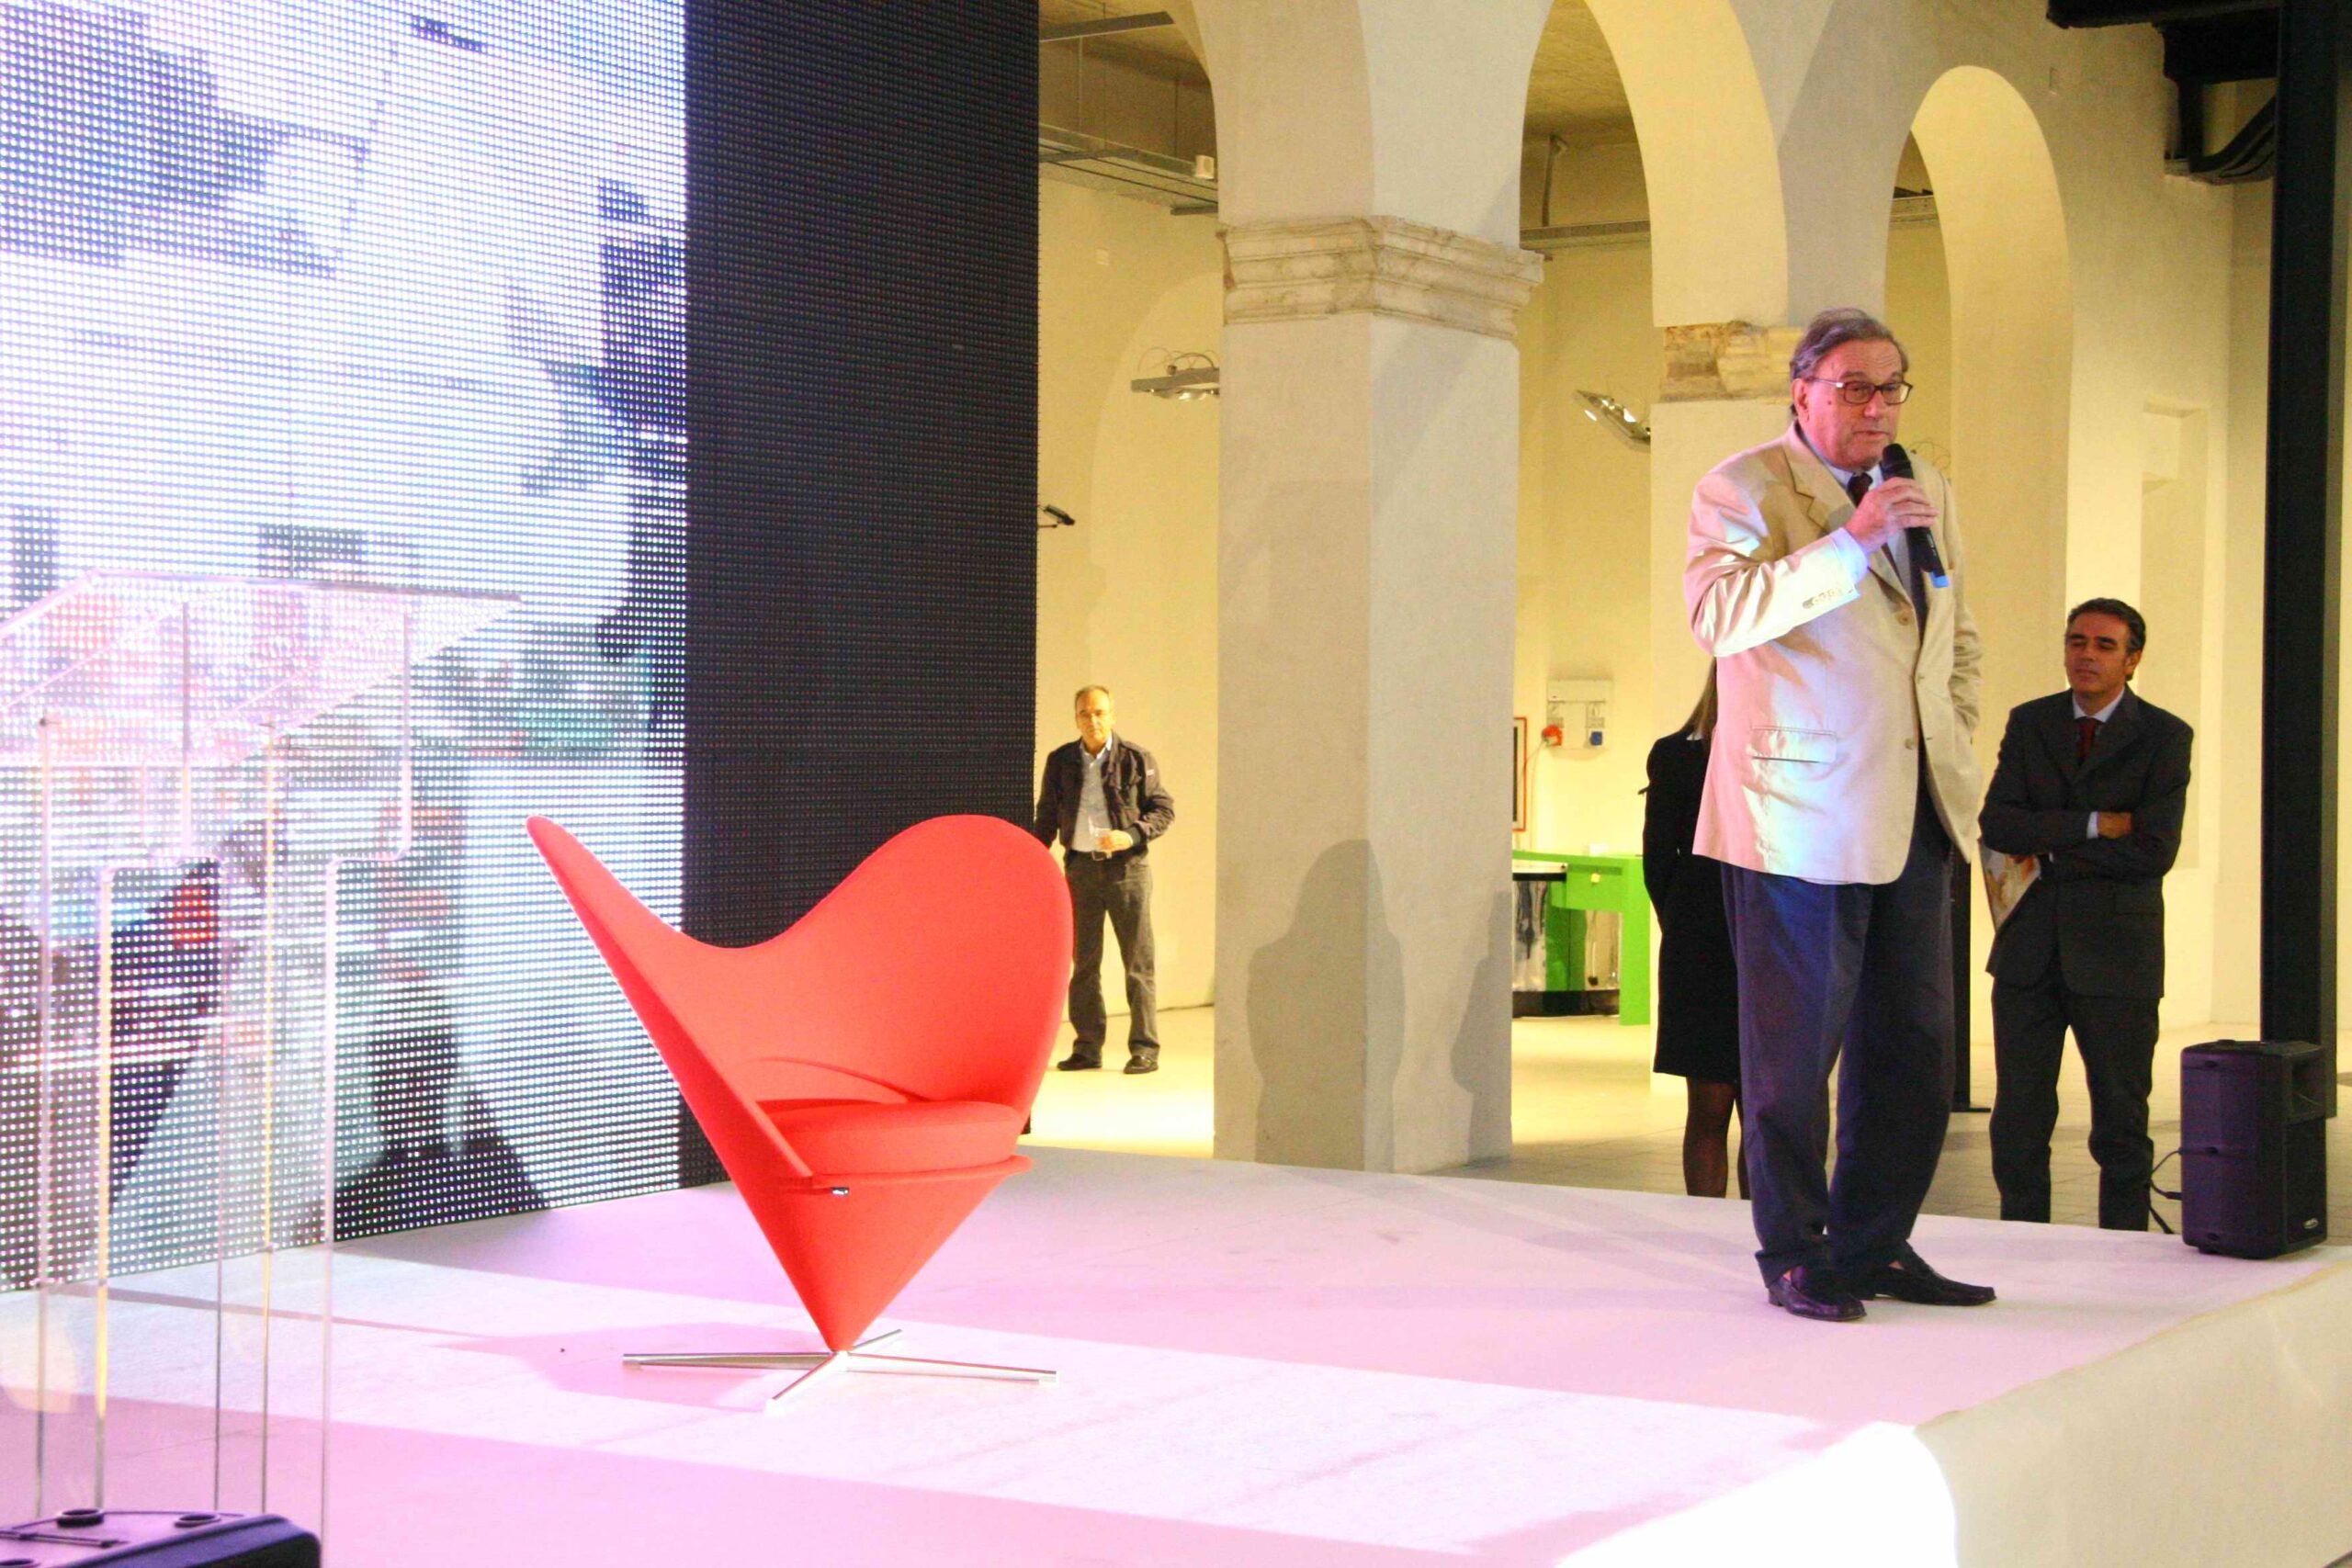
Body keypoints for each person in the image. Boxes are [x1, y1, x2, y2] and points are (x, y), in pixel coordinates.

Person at [1684, 306, 1994, 1323]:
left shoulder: (1924, 484)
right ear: (1802, 391)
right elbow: (1718, 617)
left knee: (1914, 1051)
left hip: (1916, 808)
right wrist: (1851, 544)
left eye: (1891, 386)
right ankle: (1795, 1251)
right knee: (1790, 1061)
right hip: (1798, 817)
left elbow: (1953, 630)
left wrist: (1954, 729)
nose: (1877, 406)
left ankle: (1873, 1242)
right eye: (1854, 386)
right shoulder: (1742, 487)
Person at [1980, 599, 2191, 1231]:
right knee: (2019, 1117)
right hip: (2029, 950)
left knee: (2121, 1119)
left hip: (2117, 953)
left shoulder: (2164, 735)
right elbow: (1999, 825)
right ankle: (2022, 1241)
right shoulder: (2031, 722)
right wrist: (2095, 824)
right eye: (2077, 641)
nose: (2087, 655)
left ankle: (2123, 1247)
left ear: (2132, 659)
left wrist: (2047, 848)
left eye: (2104, 645)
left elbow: (2154, 851)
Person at [1033, 685, 1175, 1074]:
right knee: (1084, 964)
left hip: (1127, 871)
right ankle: (1087, 1047)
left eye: (1099, 712)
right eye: (1084, 713)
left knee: (1137, 962)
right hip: (1080, 870)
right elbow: (1046, 816)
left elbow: (1163, 809)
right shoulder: (1061, 761)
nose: (1092, 720)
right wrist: (1030, 857)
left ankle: (1144, 1049)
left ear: (1112, 715)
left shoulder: (1136, 758)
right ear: (1076, 718)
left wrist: (1131, 835)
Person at [1641, 671, 1747, 1198]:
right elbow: (1657, 861)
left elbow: (1659, 865)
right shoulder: (1679, 753)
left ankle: (1764, 1227)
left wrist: (1683, 922)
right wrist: (1685, 927)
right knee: (1718, 1103)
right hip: (1711, 942)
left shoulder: (1679, 754)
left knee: (1748, 1109)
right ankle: (1725, 1223)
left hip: (1722, 939)